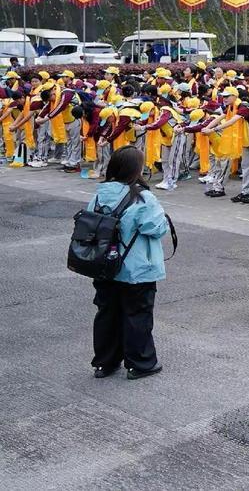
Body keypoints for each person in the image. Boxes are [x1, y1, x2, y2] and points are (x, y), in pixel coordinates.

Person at [88, 146, 169, 380]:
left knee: (107, 313)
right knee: (137, 314)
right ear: (136, 169)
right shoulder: (141, 197)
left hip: (103, 265)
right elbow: (156, 228)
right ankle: (140, 363)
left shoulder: (99, 193)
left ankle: (105, 362)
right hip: (136, 268)